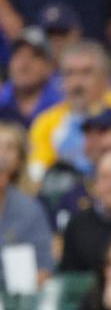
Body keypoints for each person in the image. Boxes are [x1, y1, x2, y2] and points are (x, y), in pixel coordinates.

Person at [26, 41, 111, 184]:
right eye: (70, 73)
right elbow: (37, 173)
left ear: (105, 78)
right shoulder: (45, 122)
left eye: (86, 72)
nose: (77, 82)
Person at [0, 121, 53, 290]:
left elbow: (44, 267)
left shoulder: (30, 209)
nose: (2, 155)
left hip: (16, 300)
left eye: (9, 148)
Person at [0, 27, 61, 129]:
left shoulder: (60, 103)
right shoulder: (2, 98)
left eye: (34, 56)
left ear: (49, 66)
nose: (24, 64)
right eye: (18, 55)